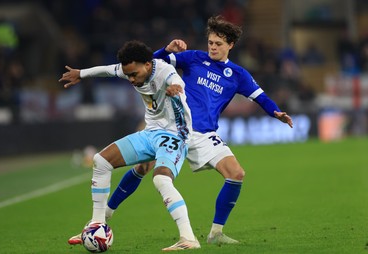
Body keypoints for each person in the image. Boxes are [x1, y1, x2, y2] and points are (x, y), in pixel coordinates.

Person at [67, 16, 293, 246]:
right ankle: (101, 221)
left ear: (230, 45)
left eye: (218, 44)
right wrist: (166, 49)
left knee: (236, 174)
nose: (213, 47)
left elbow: (261, 97)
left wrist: (275, 112)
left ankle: (216, 232)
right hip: (172, 128)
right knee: (143, 168)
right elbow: (149, 64)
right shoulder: (194, 58)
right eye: (211, 42)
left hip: (204, 134)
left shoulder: (238, 75)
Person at [59, 40, 200, 251]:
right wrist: (81, 73)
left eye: (134, 74)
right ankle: (97, 224)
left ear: (148, 64)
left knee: (161, 179)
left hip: (175, 134)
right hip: (150, 132)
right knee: (101, 160)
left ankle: (188, 238)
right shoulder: (129, 70)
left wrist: (176, 89)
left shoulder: (164, 71)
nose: (131, 79)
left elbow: (178, 83)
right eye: (128, 75)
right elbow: (107, 70)